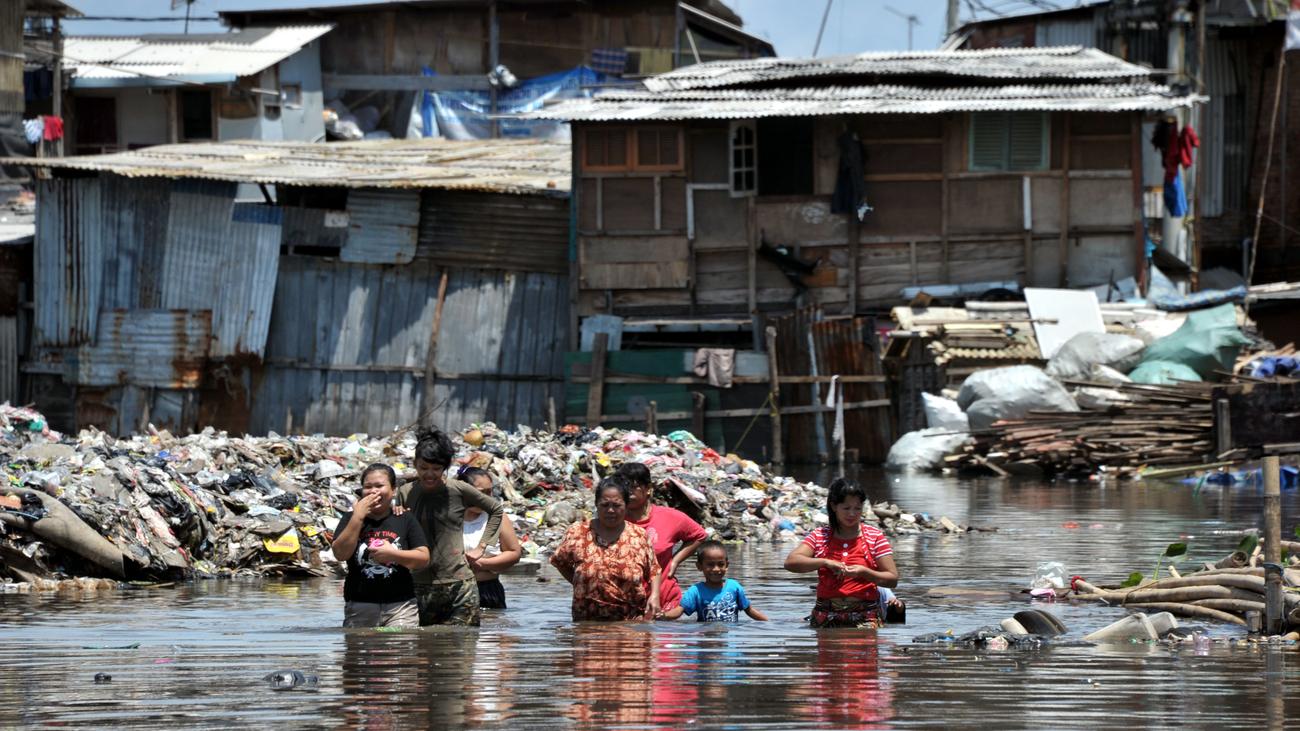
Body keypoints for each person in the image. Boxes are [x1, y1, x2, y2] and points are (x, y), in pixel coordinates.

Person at [398, 428, 505, 627]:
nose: (429, 474)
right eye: (423, 468)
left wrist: (482, 547)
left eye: (436, 469)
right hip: (419, 585)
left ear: (445, 467)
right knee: (423, 651)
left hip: (459, 585)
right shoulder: (405, 493)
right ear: (415, 465)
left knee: (462, 651)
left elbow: (496, 510)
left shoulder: (459, 490)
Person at [783, 478, 899, 628]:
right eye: (846, 508)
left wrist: (864, 572)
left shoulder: (874, 536)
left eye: (857, 508)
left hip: (865, 618)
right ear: (833, 506)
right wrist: (824, 562)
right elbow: (790, 563)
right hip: (824, 616)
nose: (852, 514)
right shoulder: (820, 535)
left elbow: (892, 579)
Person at [331, 463, 430, 628]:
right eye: (368, 487)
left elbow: (423, 558)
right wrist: (358, 517)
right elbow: (340, 554)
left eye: (379, 486)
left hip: (401, 606)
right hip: (360, 605)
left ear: (393, 490)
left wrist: (393, 555)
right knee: (360, 651)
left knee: (399, 647)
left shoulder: (405, 519)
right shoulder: (350, 519)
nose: (373, 491)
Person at [550, 476, 662, 621]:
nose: (610, 510)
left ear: (626, 505)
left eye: (616, 505)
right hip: (586, 622)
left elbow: (654, 570)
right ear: (596, 504)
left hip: (630, 622)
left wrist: (655, 596)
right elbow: (560, 562)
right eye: (605, 505)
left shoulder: (638, 535)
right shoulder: (578, 532)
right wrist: (581, 582)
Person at [615, 462, 707, 612]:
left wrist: (675, 561)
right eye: (623, 486)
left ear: (649, 489)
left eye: (633, 486)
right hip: (626, 600)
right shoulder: (614, 519)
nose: (627, 491)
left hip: (665, 598)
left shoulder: (669, 517)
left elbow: (699, 536)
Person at [458, 466, 522, 610]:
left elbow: (514, 553)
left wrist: (483, 564)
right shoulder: (448, 516)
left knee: (493, 630)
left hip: (488, 591)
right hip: (455, 591)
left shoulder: (497, 516)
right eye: (481, 493)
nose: (486, 498)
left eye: (490, 492)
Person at [662, 540, 767, 622]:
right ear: (699, 566)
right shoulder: (696, 591)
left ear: (727, 565)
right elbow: (679, 611)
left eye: (721, 564)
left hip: (729, 642)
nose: (716, 569)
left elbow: (749, 610)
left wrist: (769, 622)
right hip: (705, 639)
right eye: (710, 565)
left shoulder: (734, 587)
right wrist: (660, 616)